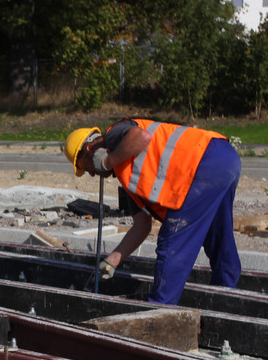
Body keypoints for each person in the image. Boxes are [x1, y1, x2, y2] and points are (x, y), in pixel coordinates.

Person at [63, 119, 242, 305]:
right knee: (218, 235)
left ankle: (159, 309)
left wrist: (107, 161)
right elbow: (142, 226)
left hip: (202, 160)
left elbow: (142, 136)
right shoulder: (127, 176)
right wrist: (113, 260)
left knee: (173, 240)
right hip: (223, 158)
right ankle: (225, 298)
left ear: (90, 149)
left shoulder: (113, 135)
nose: (92, 174)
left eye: (85, 168)